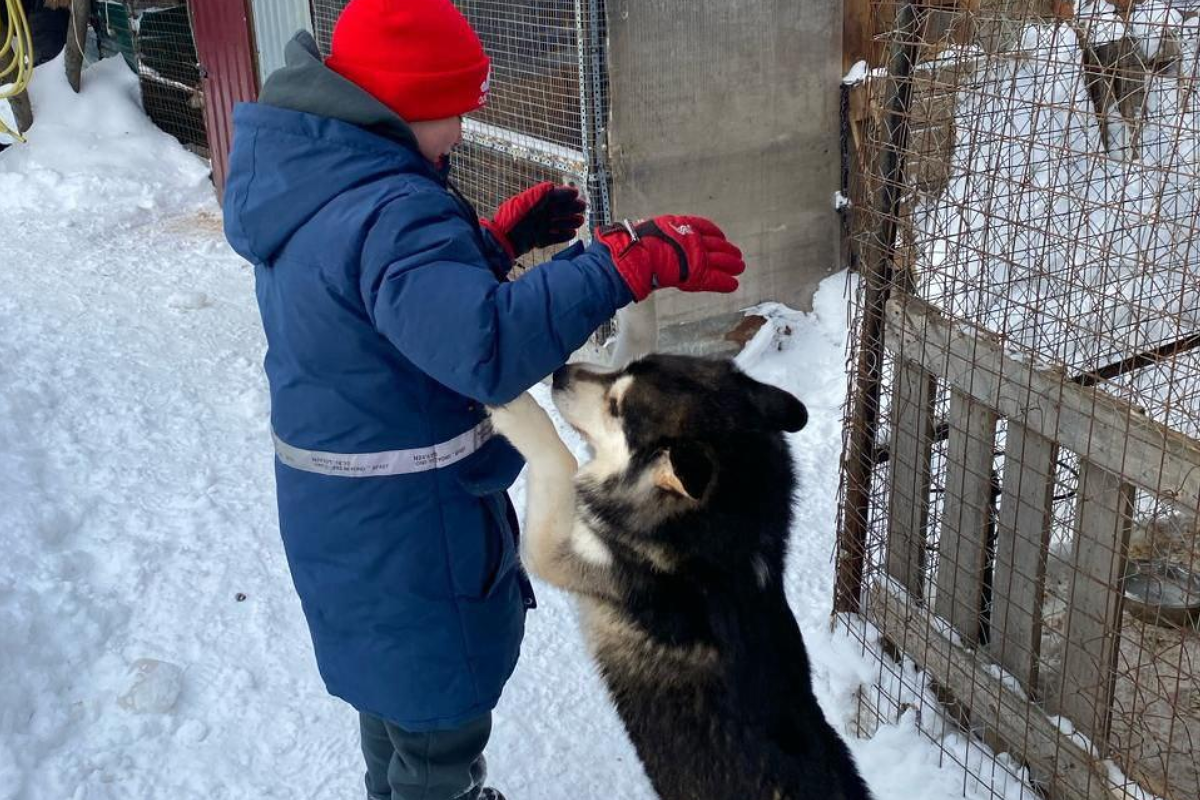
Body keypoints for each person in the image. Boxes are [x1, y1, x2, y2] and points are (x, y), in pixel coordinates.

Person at [222, 1, 745, 797]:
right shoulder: (393, 212)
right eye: (450, 111)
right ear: (396, 103)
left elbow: (381, 311)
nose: (461, 132)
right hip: (412, 531)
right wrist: (615, 266)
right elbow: (483, 348)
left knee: (392, 703)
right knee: (440, 728)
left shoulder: (316, 177)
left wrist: (484, 250)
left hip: (347, 519)